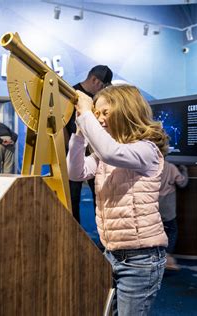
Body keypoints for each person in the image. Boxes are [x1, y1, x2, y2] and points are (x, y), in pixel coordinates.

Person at [67, 84, 169, 315]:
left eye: (105, 113)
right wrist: (80, 133)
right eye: (96, 114)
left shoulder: (146, 150)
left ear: (125, 111)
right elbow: (76, 172)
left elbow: (110, 152)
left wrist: (86, 117)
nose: (100, 119)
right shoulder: (105, 153)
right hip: (111, 253)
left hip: (141, 259)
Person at [65, 65, 113, 223]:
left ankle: (102, 234)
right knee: (72, 198)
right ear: (94, 80)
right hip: (74, 152)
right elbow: (60, 127)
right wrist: (68, 150)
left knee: (100, 195)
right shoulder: (69, 95)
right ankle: (74, 237)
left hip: (95, 152)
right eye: (103, 86)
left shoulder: (99, 99)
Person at [159, 161, 188, 271]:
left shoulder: (150, 165)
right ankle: (167, 256)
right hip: (167, 208)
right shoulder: (170, 167)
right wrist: (184, 170)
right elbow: (182, 182)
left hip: (153, 206)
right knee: (171, 231)